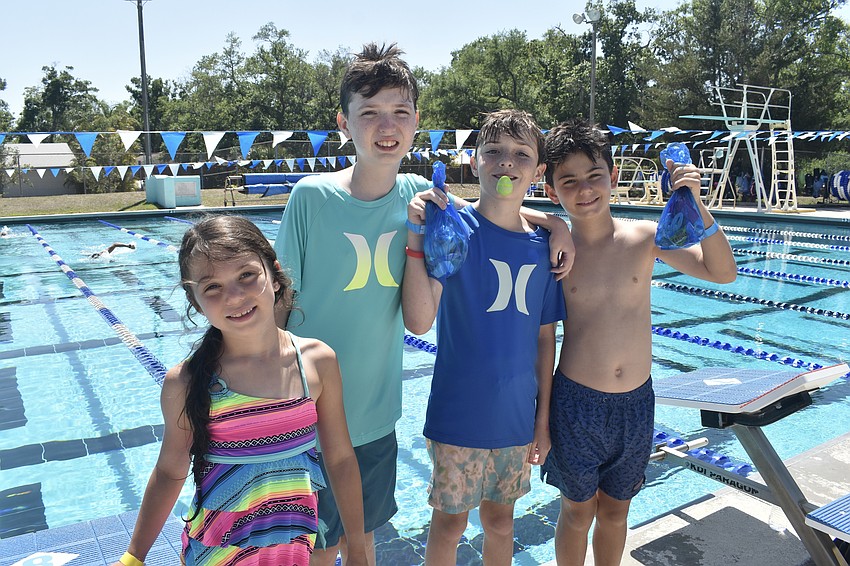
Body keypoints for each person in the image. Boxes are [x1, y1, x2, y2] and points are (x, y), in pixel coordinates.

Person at [274, 43, 572, 565]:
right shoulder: (311, 197)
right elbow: (277, 305)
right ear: (343, 122)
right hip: (308, 412)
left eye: (399, 113)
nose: (385, 126)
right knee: (320, 549)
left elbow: (497, 204)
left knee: (361, 541)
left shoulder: (421, 195)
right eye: (369, 113)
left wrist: (555, 221)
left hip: (375, 415)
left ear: (415, 123)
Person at [113, 216, 366, 566]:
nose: (234, 296)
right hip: (219, 556)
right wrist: (133, 558)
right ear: (196, 301)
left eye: (247, 275)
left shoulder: (316, 362)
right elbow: (170, 472)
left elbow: (340, 458)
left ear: (274, 275)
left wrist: (358, 547)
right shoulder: (187, 383)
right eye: (212, 287)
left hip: (291, 549)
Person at [541, 119, 738, 566]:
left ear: (613, 177)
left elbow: (723, 272)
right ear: (552, 190)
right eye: (568, 181)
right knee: (576, 512)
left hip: (636, 403)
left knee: (615, 511)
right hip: (575, 403)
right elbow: (496, 210)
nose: (585, 189)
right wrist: (549, 223)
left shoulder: (644, 239)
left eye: (594, 177)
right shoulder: (552, 250)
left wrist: (697, 206)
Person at [402, 109, 567, 565]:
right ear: (474, 163)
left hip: (515, 418)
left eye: (520, 155)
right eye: (493, 152)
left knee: (500, 522)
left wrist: (542, 420)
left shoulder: (544, 247)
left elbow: (544, 341)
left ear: (538, 171)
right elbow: (417, 321)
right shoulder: (453, 230)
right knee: (450, 523)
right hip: (458, 414)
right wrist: (418, 234)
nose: (506, 163)